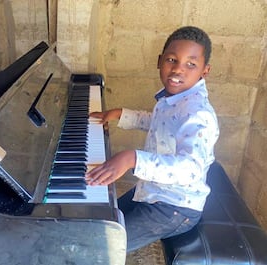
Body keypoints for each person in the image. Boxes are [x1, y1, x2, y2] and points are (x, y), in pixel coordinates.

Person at [86, 26, 219, 252]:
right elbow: (159, 122)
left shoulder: (198, 114)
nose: (177, 69)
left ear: (204, 71)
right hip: (152, 192)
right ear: (159, 61)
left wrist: (132, 159)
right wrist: (121, 114)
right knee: (101, 218)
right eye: (172, 60)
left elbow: (191, 169)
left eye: (191, 64)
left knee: (101, 247)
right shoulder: (176, 99)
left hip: (174, 209)